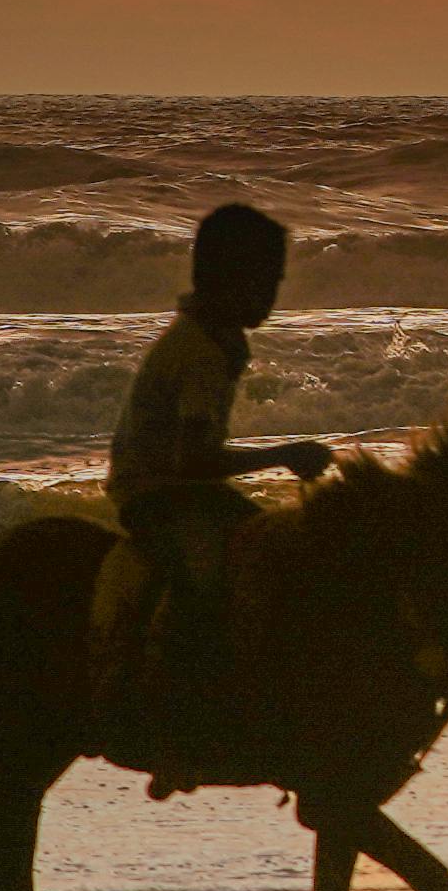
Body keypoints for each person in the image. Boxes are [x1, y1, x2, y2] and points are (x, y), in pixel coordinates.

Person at [110, 203, 333, 729]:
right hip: (157, 492)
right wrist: (283, 455)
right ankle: (178, 697)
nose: (274, 298)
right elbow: (195, 461)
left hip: (179, 488)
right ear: (236, 280)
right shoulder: (202, 352)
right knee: (209, 581)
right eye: (268, 283)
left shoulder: (213, 339)